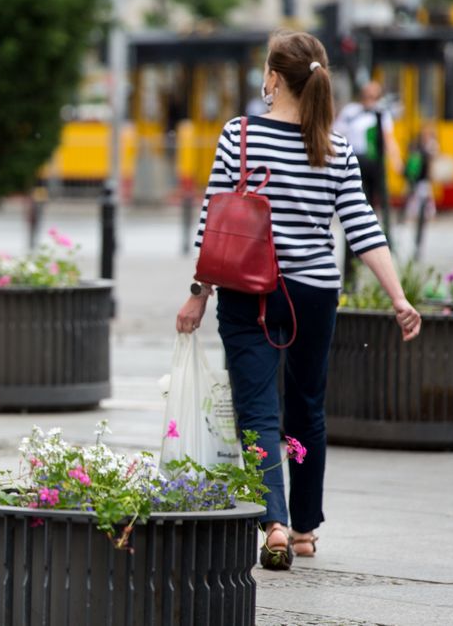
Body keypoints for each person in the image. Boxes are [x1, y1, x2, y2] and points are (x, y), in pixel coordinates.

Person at [176, 31, 422, 572]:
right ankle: (306, 528)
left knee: (257, 410)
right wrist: (399, 297)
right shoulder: (335, 148)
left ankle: (275, 521)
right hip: (313, 294)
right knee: (307, 406)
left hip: (248, 291)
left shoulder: (239, 135)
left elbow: (213, 222)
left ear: (272, 77)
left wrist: (198, 295)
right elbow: (362, 227)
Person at [334, 81, 403, 235]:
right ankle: (353, 242)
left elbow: (388, 138)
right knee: (356, 202)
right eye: (368, 94)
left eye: (374, 95)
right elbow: (337, 132)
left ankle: (384, 236)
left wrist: (396, 159)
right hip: (356, 161)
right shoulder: (351, 111)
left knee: (382, 202)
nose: (371, 98)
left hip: (376, 162)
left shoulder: (381, 113)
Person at [402, 125, 438, 260]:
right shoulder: (424, 150)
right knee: (420, 212)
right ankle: (416, 242)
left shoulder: (416, 148)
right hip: (421, 185)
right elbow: (428, 169)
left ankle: (415, 240)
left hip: (418, 184)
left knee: (418, 211)